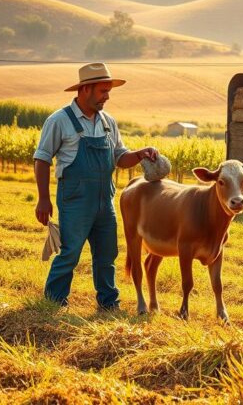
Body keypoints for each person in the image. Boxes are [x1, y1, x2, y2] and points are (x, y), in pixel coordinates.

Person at [33, 63, 158, 311]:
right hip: (75, 201)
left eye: (109, 91)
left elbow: (120, 158)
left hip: (105, 201)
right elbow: (42, 158)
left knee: (107, 255)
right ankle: (53, 303)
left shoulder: (108, 122)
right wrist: (43, 199)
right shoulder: (59, 120)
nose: (107, 96)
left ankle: (108, 303)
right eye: (103, 91)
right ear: (86, 89)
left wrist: (140, 154)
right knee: (70, 253)